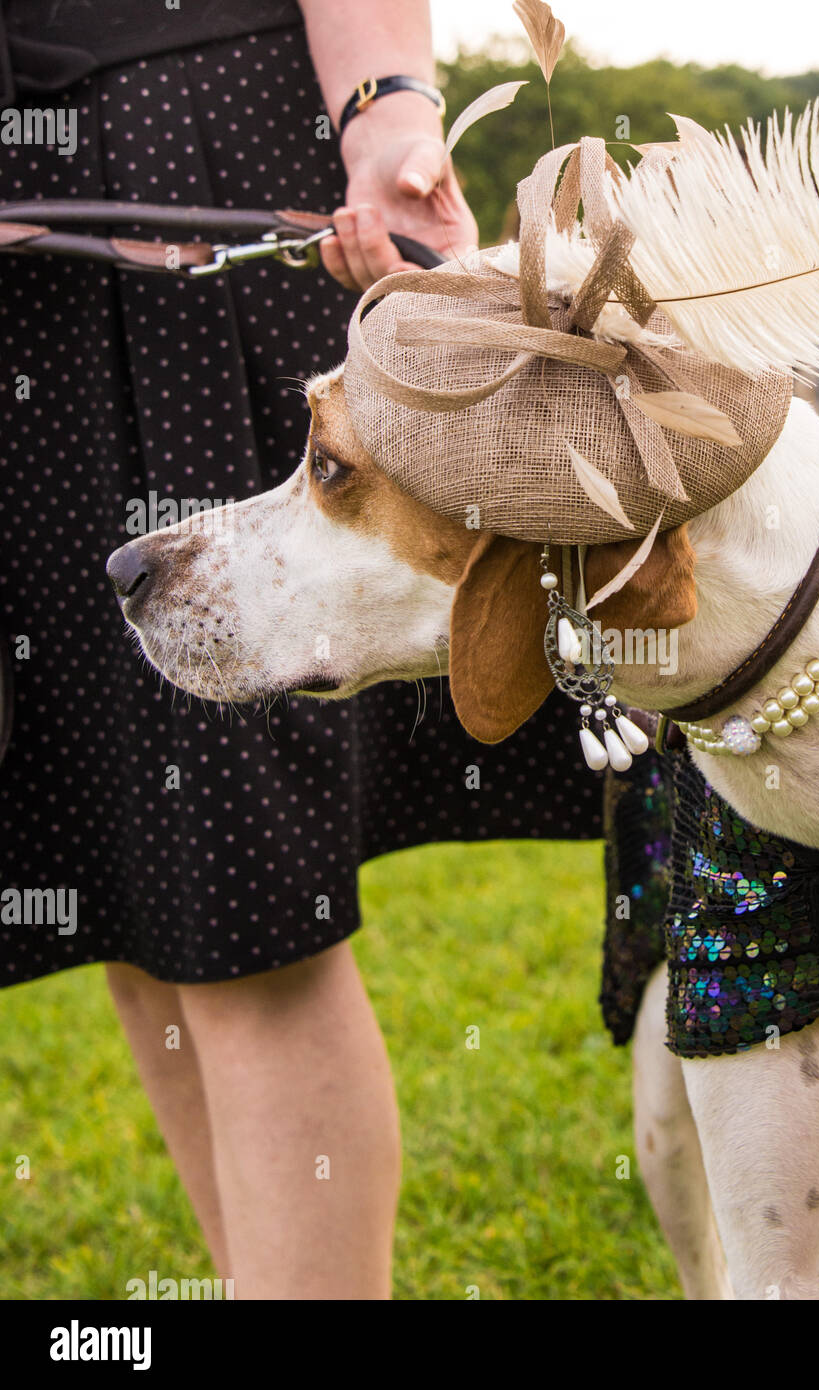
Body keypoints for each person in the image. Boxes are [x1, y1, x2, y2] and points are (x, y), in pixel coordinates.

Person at [0, 0, 599, 1298]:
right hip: (27, 275)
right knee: (141, 895)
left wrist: (387, 110)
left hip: (164, 149)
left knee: (241, 910)